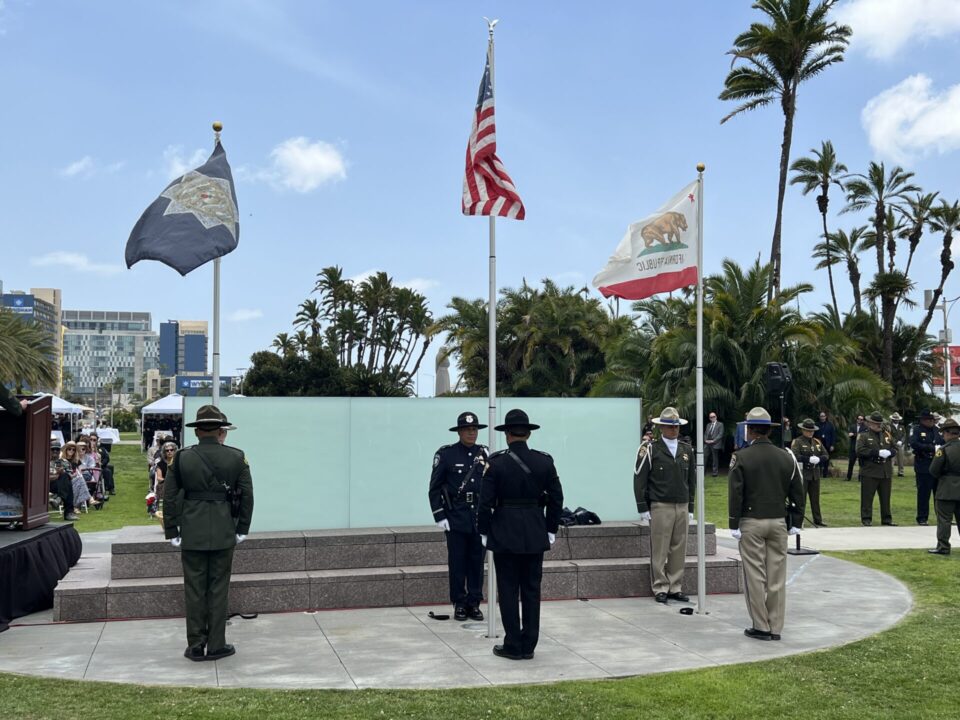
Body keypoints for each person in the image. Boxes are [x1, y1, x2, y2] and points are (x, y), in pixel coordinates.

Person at [163, 405, 254, 662]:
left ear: (198, 431)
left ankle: (195, 645)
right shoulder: (236, 457)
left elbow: (169, 497)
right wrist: (242, 528)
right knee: (218, 588)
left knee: (194, 589)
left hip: (192, 530)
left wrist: (172, 529)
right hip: (224, 530)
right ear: (220, 431)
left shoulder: (181, 457)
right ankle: (216, 644)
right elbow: (247, 496)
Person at [478, 409, 563, 661]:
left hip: (504, 532)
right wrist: (550, 528)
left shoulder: (496, 462)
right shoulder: (544, 461)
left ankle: (513, 643)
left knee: (507, 589)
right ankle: (529, 644)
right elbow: (557, 499)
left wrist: (484, 531)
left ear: (507, 435)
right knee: (531, 589)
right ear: (527, 433)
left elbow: (485, 503)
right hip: (535, 531)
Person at [728, 407, 804, 641]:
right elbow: (798, 490)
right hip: (778, 521)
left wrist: (733, 522)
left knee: (755, 575)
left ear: (749, 430)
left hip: (751, 521)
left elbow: (736, 493)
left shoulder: (741, 457)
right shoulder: (785, 456)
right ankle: (776, 627)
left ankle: (760, 625)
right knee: (776, 577)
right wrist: (797, 521)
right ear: (768, 431)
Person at [428, 411, 488, 622]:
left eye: (474, 430)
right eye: (467, 430)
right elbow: (434, 488)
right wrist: (440, 515)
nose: (471, 433)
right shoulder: (447, 455)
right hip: (456, 515)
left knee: (477, 562)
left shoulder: (486, 454)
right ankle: (459, 603)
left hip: (479, 515)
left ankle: (474, 602)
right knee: (457, 561)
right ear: (460, 432)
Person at [634, 407, 695, 603]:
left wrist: (691, 507)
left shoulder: (686, 450)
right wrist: (643, 507)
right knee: (660, 548)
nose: (674, 430)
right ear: (661, 427)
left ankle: (675, 585)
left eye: (676, 426)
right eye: (670, 426)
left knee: (679, 547)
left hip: (681, 504)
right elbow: (639, 479)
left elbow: (691, 480)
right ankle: (660, 585)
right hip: (661, 504)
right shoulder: (650, 448)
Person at [857, 411, 897, 527]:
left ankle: (887, 519)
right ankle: (866, 519)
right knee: (867, 497)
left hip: (885, 471)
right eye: (875, 423)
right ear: (869, 423)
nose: (878, 425)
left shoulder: (887, 435)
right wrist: (876, 452)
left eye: (880, 423)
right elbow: (859, 450)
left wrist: (890, 452)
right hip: (870, 470)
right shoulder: (864, 435)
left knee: (886, 497)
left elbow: (895, 448)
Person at [928, 418, 960, 555]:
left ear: (948, 433)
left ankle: (943, 546)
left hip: (946, 489)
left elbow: (933, 470)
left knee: (944, 520)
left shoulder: (943, 450)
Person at [791, 418, 829, 527]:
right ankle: (799, 520)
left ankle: (818, 519)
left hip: (815, 474)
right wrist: (807, 459)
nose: (810, 432)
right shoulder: (797, 442)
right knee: (801, 498)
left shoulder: (817, 442)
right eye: (808, 430)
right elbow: (795, 456)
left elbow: (826, 455)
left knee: (815, 499)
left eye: (812, 431)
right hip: (803, 474)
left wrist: (819, 459)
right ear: (803, 430)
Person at [909, 409, 941, 526]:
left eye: (932, 420)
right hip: (924, 465)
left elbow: (942, 442)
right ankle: (922, 517)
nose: (931, 422)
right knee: (924, 494)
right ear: (923, 420)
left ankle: (942, 517)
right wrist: (931, 448)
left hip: (937, 465)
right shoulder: (917, 430)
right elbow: (914, 443)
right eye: (929, 420)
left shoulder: (937, 430)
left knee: (939, 494)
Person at [49, 441, 78, 521]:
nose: (55, 451)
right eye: (53, 449)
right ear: (49, 450)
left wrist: (62, 473)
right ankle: (68, 512)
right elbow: (42, 478)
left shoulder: (65, 462)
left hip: (60, 485)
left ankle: (59, 498)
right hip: (47, 485)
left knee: (66, 478)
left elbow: (70, 477)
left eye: (57, 450)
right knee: (67, 486)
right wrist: (57, 475)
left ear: (60, 451)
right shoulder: (44, 462)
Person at [814, 411, 836, 477]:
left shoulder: (830, 425)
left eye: (823, 416)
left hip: (827, 444)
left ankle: (825, 474)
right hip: (818, 444)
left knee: (826, 458)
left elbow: (833, 436)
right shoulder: (816, 425)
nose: (822, 417)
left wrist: (832, 445)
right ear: (819, 417)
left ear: (826, 417)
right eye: (821, 416)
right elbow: (813, 435)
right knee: (818, 458)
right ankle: (819, 473)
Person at [704, 411, 723, 477]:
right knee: (704, 457)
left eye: (713, 416)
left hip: (715, 443)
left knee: (714, 458)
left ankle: (715, 473)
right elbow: (706, 433)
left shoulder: (720, 424)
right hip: (707, 443)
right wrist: (705, 440)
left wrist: (713, 441)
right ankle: (702, 472)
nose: (712, 418)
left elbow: (720, 434)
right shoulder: (708, 425)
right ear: (709, 418)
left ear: (716, 417)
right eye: (711, 417)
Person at [846, 414, 865, 481]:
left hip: (861, 448)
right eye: (859, 419)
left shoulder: (865, 427)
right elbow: (849, 435)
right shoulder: (852, 426)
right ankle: (848, 477)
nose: (859, 420)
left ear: (863, 420)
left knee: (861, 464)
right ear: (857, 419)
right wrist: (856, 435)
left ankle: (860, 478)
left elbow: (862, 436)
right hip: (853, 447)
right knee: (851, 463)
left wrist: (854, 434)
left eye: (861, 419)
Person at [890, 412, 906, 477]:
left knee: (901, 459)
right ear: (892, 419)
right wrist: (895, 442)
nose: (896, 420)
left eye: (897, 419)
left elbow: (904, 435)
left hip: (900, 445)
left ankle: (900, 472)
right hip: (892, 445)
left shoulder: (902, 427)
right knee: (891, 459)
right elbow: (889, 435)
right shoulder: (890, 426)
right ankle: (890, 472)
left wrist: (901, 441)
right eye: (895, 419)